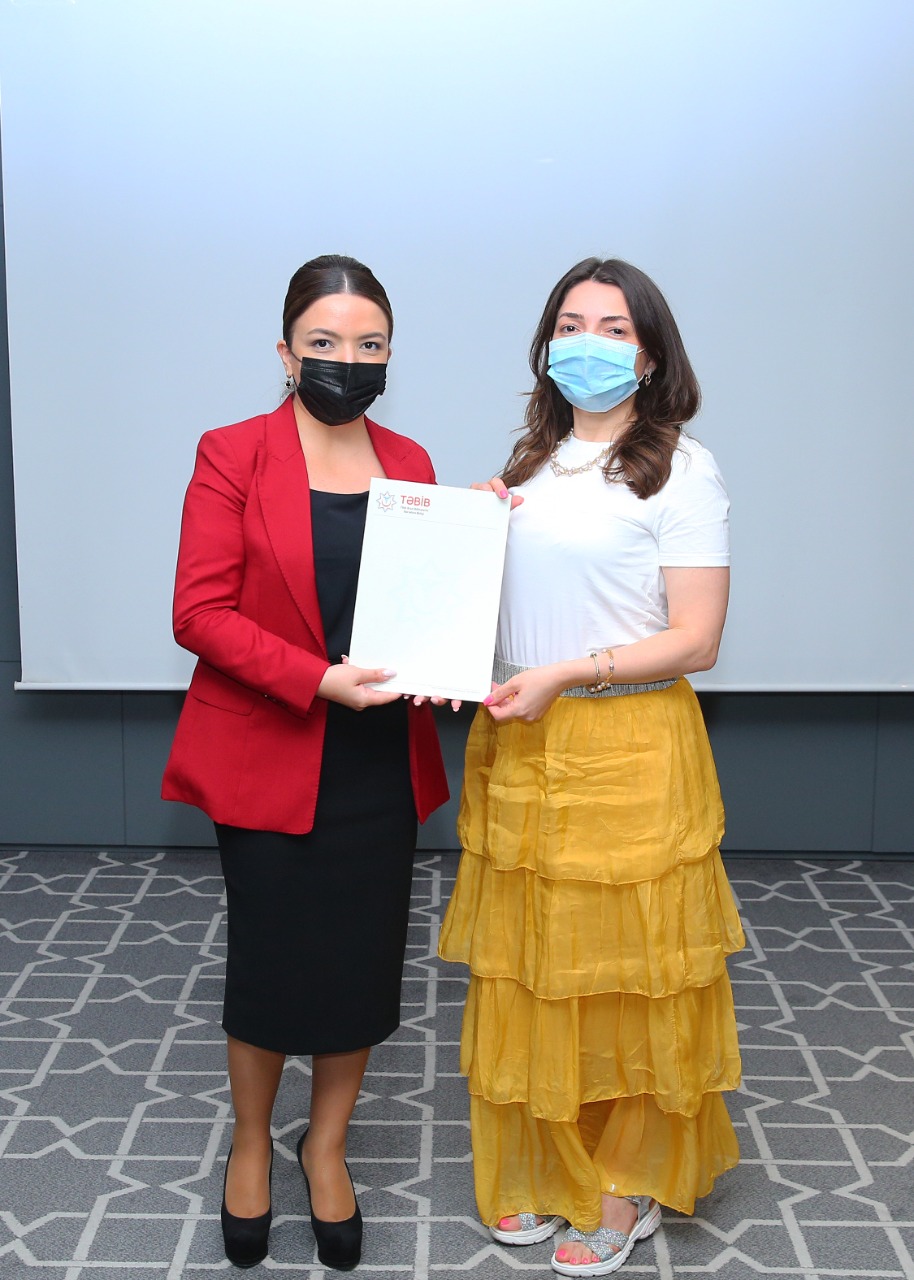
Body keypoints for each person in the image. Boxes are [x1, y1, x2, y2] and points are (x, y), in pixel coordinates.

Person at [438, 257, 744, 1276]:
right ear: (545, 345)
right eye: (570, 324)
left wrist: (571, 672)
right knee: (537, 967)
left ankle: (625, 1184)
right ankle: (548, 1163)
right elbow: (505, 609)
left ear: (649, 355)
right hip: (522, 740)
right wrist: (464, 546)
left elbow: (697, 638)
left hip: (627, 744)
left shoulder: (680, 469)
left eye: (613, 328)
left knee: (628, 978)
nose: (588, 343)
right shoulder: (526, 466)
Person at [162, 254, 449, 1271]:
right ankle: (251, 1140)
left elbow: (425, 605)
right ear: (285, 353)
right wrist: (318, 678)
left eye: (370, 345)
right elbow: (198, 612)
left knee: (361, 962)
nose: (346, 360)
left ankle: (323, 1145)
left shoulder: (410, 459)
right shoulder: (232, 451)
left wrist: (443, 654)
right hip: (269, 744)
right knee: (272, 960)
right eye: (324, 342)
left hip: (378, 755)